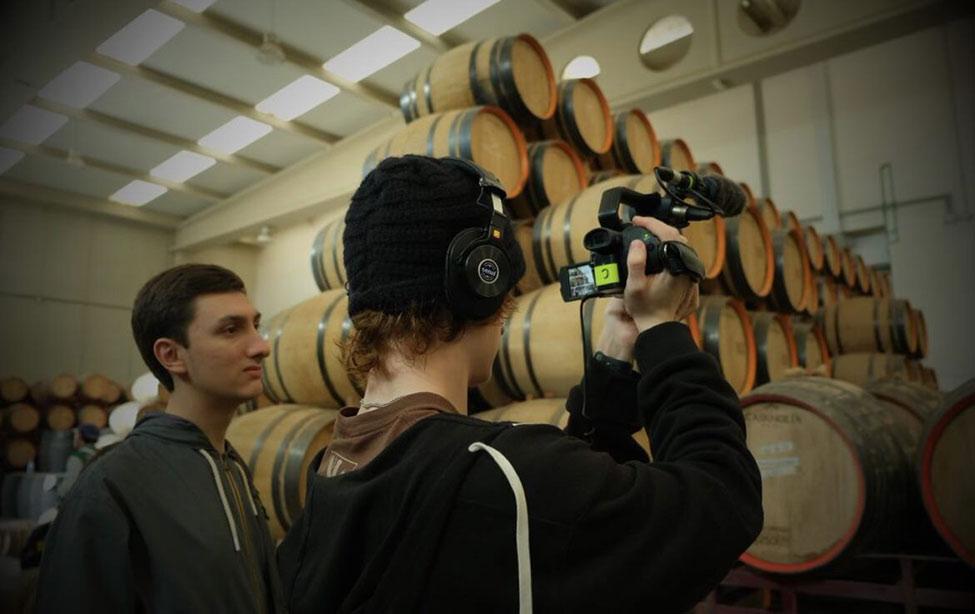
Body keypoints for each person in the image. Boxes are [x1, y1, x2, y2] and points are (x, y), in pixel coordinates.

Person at [277, 155, 764, 613]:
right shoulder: (498, 473)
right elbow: (720, 502)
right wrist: (664, 331)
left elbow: (559, 529)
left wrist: (615, 362)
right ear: (480, 279)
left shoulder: (334, 468)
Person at [37, 264, 285, 614]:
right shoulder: (111, 484)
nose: (261, 346)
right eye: (231, 329)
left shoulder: (230, 467)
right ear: (171, 355)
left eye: (255, 326)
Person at [55, 422, 100, 499]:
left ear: (80, 437)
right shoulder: (102, 454)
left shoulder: (77, 458)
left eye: (76, 436)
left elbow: (68, 488)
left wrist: (58, 490)